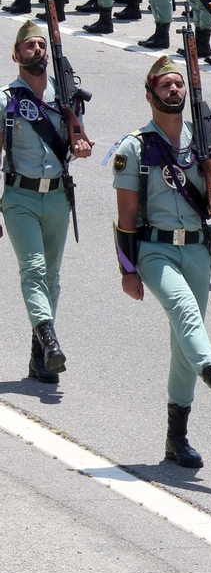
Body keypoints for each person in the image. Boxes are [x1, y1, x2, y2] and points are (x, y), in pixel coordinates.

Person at [113, 56, 211, 470]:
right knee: (186, 313)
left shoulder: (205, 143)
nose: (173, 91)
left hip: (197, 249)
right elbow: (125, 216)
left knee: (183, 343)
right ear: (150, 94)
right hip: (155, 250)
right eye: (165, 86)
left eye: (179, 85)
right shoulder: (135, 148)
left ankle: (177, 438)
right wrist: (127, 270)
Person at [3, 22, 92, 384]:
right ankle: (51, 339)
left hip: (57, 196)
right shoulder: (7, 98)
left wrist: (81, 145)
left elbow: (79, 140)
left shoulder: (66, 96)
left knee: (52, 279)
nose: (37, 51)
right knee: (34, 270)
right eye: (29, 46)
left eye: (42, 45)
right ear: (16, 54)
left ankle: (39, 357)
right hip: (19, 197)